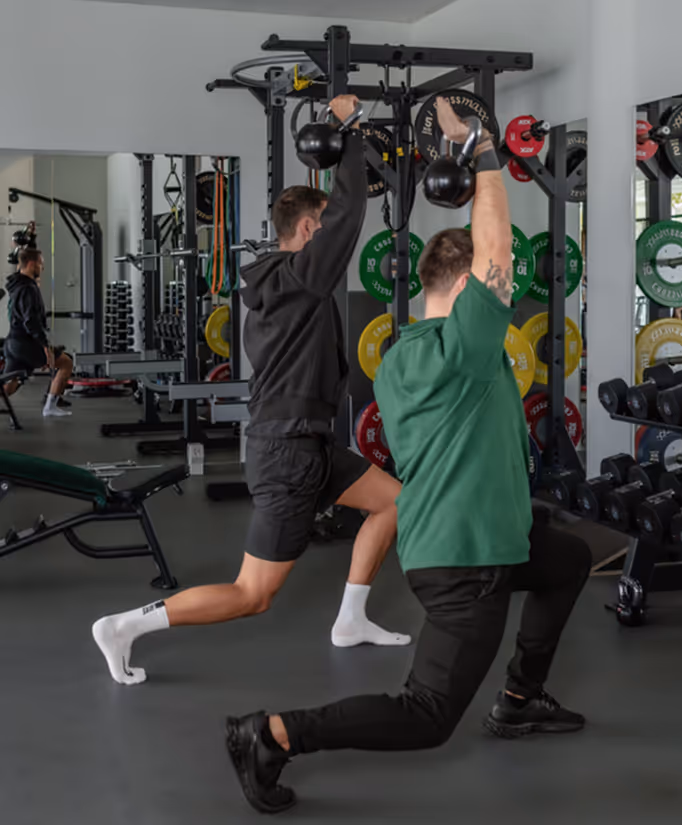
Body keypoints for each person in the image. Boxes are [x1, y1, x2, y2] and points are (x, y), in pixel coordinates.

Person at [223, 98, 593, 815]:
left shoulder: (396, 357)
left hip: (467, 538)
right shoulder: (464, 349)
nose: (503, 288)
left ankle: (518, 696)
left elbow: (486, 269)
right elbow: (497, 253)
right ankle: (270, 733)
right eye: (490, 286)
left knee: (568, 560)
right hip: (465, 561)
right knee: (426, 713)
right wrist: (482, 147)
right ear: (462, 288)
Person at [92, 94, 409, 688]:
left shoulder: (285, 285)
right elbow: (346, 218)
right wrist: (352, 129)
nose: (331, 247)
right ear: (308, 231)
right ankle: (125, 626)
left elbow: (335, 224)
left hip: (306, 443)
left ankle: (350, 619)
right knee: (252, 594)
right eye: (324, 233)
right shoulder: (295, 281)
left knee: (395, 502)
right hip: (287, 452)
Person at [4, 246, 74, 417]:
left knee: (8, 385)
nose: (42, 268)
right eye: (40, 264)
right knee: (66, 362)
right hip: (25, 344)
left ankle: (50, 406)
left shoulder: (16, 285)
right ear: (31, 264)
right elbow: (31, 321)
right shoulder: (28, 289)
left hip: (13, 343)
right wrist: (45, 346)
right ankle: (49, 407)